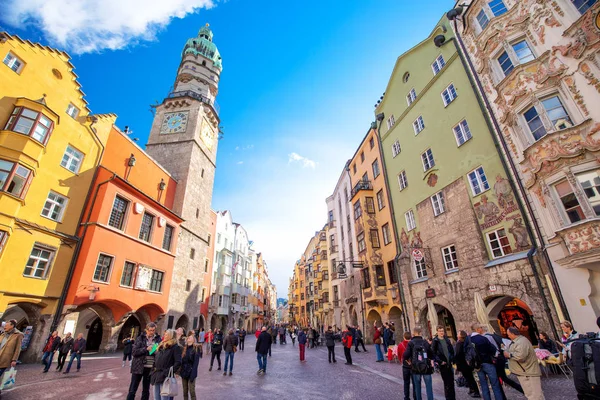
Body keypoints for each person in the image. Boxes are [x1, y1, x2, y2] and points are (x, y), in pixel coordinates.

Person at [504, 327, 544, 400]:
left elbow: (521, 356)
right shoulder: (518, 341)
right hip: (524, 372)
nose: (508, 336)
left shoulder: (521, 342)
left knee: (534, 395)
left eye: (509, 334)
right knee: (533, 394)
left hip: (527, 372)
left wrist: (509, 355)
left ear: (513, 334)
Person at [127, 322, 161, 400]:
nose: (152, 332)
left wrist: (156, 351)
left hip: (149, 367)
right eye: (150, 330)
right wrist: (146, 349)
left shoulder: (158, 339)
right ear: (146, 330)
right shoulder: (140, 338)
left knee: (146, 389)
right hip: (138, 367)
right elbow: (134, 352)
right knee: (133, 388)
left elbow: (160, 352)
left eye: (153, 330)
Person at [470, 323, 503, 400]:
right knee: (495, 384)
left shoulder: (469, 340)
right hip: (487, 363)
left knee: (483, 384)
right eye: (481, 327)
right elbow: (493, 350)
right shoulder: (483, 338)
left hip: (477, 365)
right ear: (477, 329)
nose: (482, 329)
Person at [403, 326, 434, 400]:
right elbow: (431, 354)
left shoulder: (411, 343)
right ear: (420, 333)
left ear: (414, 333)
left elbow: (405, 355)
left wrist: (408, 360)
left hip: (415, 367)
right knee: (429, 386)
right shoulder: (425, 342)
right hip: (426, 366)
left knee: (417, 387)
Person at [150, 329, 182, 400]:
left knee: (164, 398)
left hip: (165, 377)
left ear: (171, 336)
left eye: (167, 334)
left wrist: (167, 372)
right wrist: (152, 370)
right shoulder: (161, 345)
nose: (165, 335)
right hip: (156, 375)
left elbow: (178, 362)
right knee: (156, 398)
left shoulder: (175, 347)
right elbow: (155, 358)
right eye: (165, 334)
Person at [0, 319, 23, 399]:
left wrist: (14, 359)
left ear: (12, 326)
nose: (4, 326)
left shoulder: (18, 335)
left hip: (5, 358)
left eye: (6, 325)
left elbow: (18, 348)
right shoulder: (3, 334)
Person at [432, 325, 455, 400]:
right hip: (443, 364)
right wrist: (440, 361)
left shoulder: (447, 340)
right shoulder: (435, 341)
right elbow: (433, 353)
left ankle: (453, 398)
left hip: (449, 363)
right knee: (446, 383)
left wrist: (452, 359)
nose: (441, 332)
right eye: (440, 331)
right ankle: (448, 398)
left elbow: (451, 350)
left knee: (451, 382)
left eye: (442, 331)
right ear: (437, 332)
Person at [454, 330, 480, 398]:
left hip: (465, 364)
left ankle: (475, 391)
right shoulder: (462, 343)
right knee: (468, 378)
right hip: (463, 363)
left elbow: (458, 354)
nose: (457, 335)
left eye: (458, 334)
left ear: (461, 336)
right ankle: (472, 390)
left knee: (470, 378)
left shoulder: (462, 343)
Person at [180, 334, 201, 400]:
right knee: (185, 391)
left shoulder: (196, 349)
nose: (188, 338)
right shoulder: (184, 348)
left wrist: (193, 374)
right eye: (188, 337)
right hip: (184, 372)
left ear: (193, 340)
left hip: (191, 371)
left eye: (190, 337)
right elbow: (181, 361)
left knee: (192, 391)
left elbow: (196, 363)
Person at [398, 331, 416, 400]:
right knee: (415, 383)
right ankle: (415, 397)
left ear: (404, 337)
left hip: (405, 366)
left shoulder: (400, 345)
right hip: (413, 365)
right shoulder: (413, 344)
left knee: (406, 382)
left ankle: (406, 397)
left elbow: (399, 356)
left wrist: (402, 361)